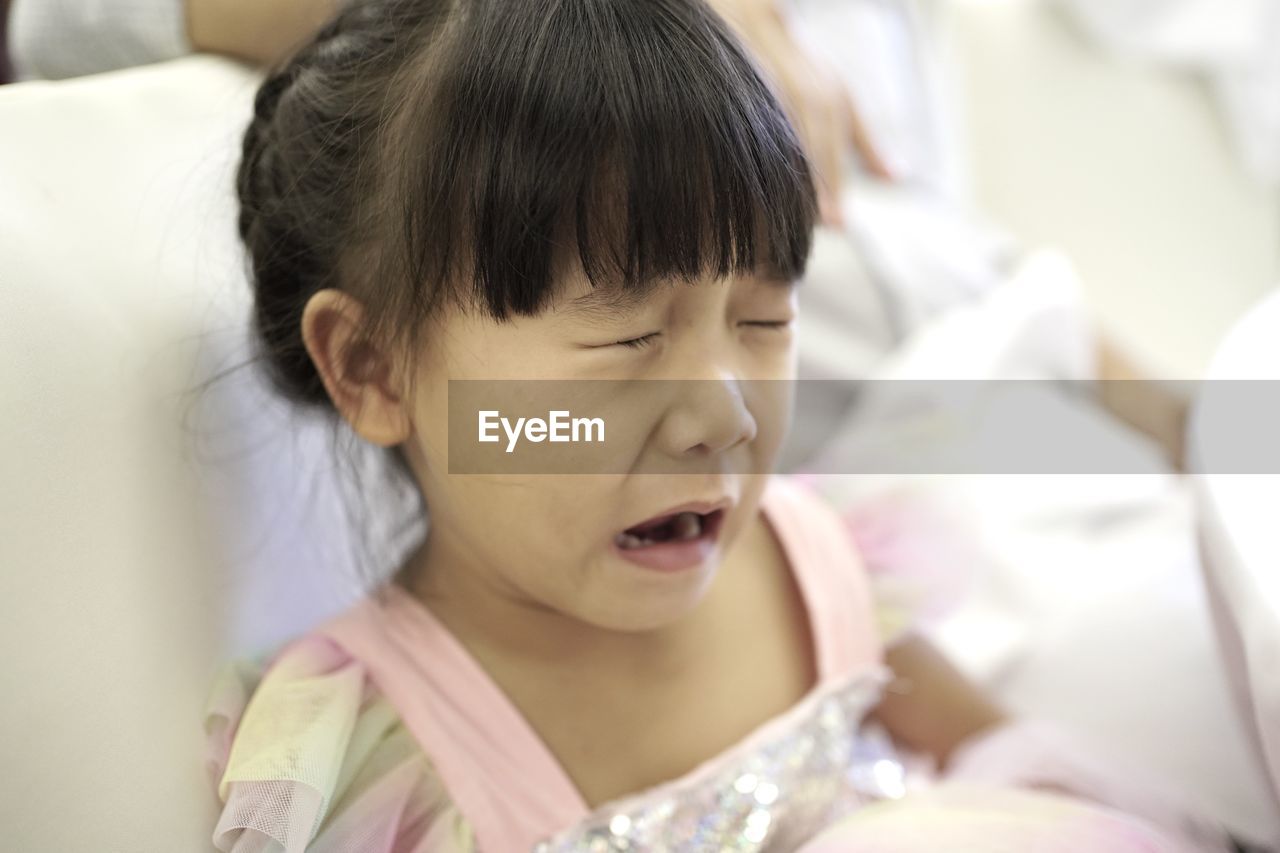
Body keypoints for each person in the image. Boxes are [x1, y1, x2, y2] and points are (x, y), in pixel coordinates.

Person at [199, 0, 1239, 849]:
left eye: (761, 320)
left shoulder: (810, 564)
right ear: (373, 367)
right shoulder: (381, 753)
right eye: (625, 340)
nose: (723, 416)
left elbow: (1032, 781)